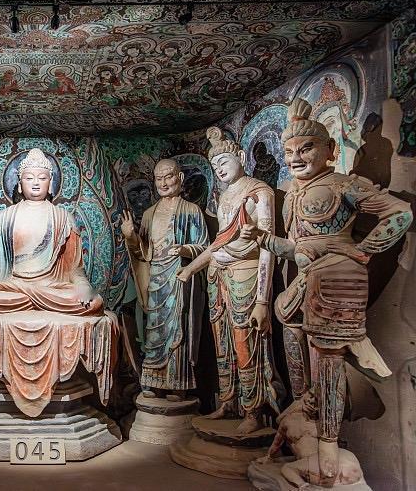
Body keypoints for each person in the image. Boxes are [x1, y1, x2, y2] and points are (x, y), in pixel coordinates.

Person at [241, 97, 412, 481]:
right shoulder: (293, 194)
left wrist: (363, 251)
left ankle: (329, 451)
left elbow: (400, 213)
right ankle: (307, 404)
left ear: (330, 149)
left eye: (306, 148)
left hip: (337, 279)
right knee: (287, 318)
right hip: (306, 281)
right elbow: (298, 248)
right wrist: (262, 239)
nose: (296, 157)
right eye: (290, 152)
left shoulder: (343, 185)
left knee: (331, 361)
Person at [177, 126, 280, 434]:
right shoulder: (223, 196)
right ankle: (228, 401)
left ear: (241, 158)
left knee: (245, 342)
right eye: (214, 165)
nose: (219, 169)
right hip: (218, 276)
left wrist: (263, 300)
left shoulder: (259, 192)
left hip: (246, 275)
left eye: (224, 161)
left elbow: (268, 247)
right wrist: (192, 268)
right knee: (222, 343)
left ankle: (253, 409)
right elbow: (218, 243)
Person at [0, 148, 103, 316]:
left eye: (42, 178)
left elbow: (75, 270)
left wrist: (83, 286)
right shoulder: (3, 218)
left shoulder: (64, 218)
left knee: (95, 302)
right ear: (20, 184)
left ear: (50, 183)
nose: (36, 183)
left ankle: (33, 303)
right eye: (29, 178)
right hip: (12, 287)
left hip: (51, 288)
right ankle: (33, 303)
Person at [121, 159, 209, 399]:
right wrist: (130, 236)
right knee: (154, 332)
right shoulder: (149, 214)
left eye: (168, 177)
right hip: (156, 277)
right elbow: (142, 253)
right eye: (159, 179)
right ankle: (155, 383)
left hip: (179, 277)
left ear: (180, 178)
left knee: (178, 329)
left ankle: (177, 384)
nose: (164, 183)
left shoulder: (191, 210)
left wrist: (185, 250)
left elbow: (205, 247)